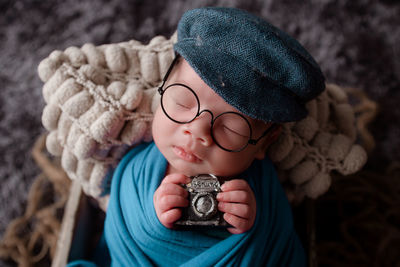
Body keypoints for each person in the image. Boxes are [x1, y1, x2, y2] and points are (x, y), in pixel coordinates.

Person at [69, 6, 325, 267]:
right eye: (182, 101)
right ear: (162, 90)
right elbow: (122, 236)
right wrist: (153, 221)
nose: (197, 131)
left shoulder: (263, 190)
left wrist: (250, 225)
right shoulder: (136, 172)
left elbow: (276, 243)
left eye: (231, 128)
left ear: (265, 143)